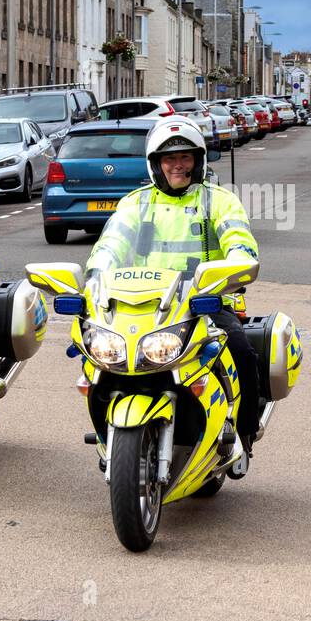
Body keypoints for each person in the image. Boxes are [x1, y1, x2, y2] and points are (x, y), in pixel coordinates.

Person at [86, 119, 264, 449]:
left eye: (185, 157)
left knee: (240, 350)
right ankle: (108, 434)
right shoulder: (136, 203)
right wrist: (95, 277)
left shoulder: (219, 201)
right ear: (156, 163)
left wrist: (237, 264)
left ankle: (243, 434)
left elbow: (238, 237)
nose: (178, 165)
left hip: (204, 305)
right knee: (97, 359)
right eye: (169, 159)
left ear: (198, 160)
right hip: (141, 306)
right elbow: (111, 243)